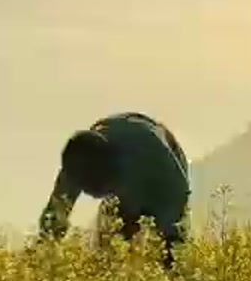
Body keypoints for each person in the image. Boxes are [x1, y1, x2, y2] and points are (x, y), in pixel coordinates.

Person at [38, 112, 190, 269]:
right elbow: (53, 219)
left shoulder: (162, 169)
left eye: (94, 187)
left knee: (170, 256)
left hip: (162, 166)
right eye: (85, 187)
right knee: (108, 252)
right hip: (126, 143)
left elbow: (176, 221)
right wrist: (43, 255)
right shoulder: (80, 160)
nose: (90, 195)